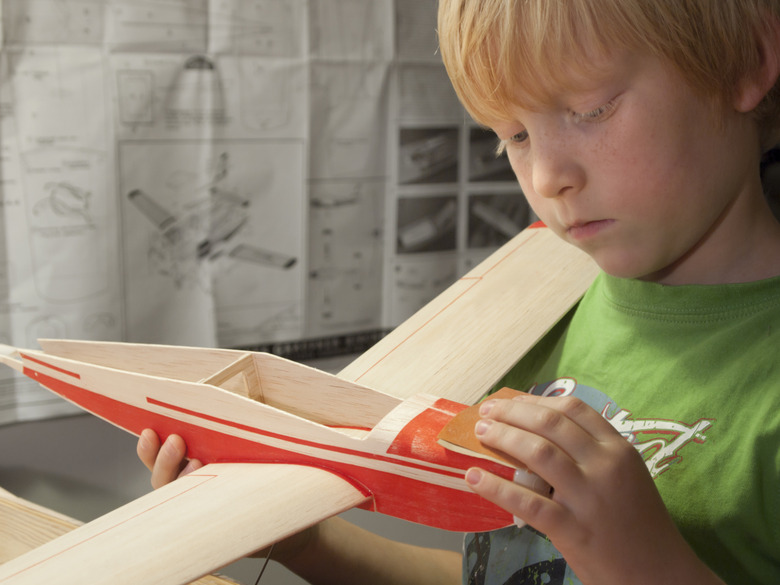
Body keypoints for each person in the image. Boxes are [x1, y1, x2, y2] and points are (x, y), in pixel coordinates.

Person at [137, 1, 780, 583]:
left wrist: (649, 569)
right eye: (516, 136)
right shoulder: (538, 306)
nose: (548, 177)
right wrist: (309, 544)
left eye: (592, 108)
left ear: (747, 60)